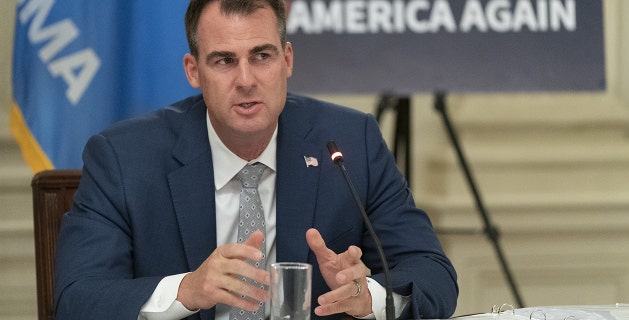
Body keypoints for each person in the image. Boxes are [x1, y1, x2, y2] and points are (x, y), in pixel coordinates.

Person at [54, 0, 458, 319]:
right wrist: (187, 290)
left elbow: (432, 274)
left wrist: (365, 296)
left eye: (261, 56)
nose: (246, 79)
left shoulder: (351, 143)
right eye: (224, 60)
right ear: (193, 71)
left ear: (287, 60)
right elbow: (77, 298)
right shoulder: (124, 158)